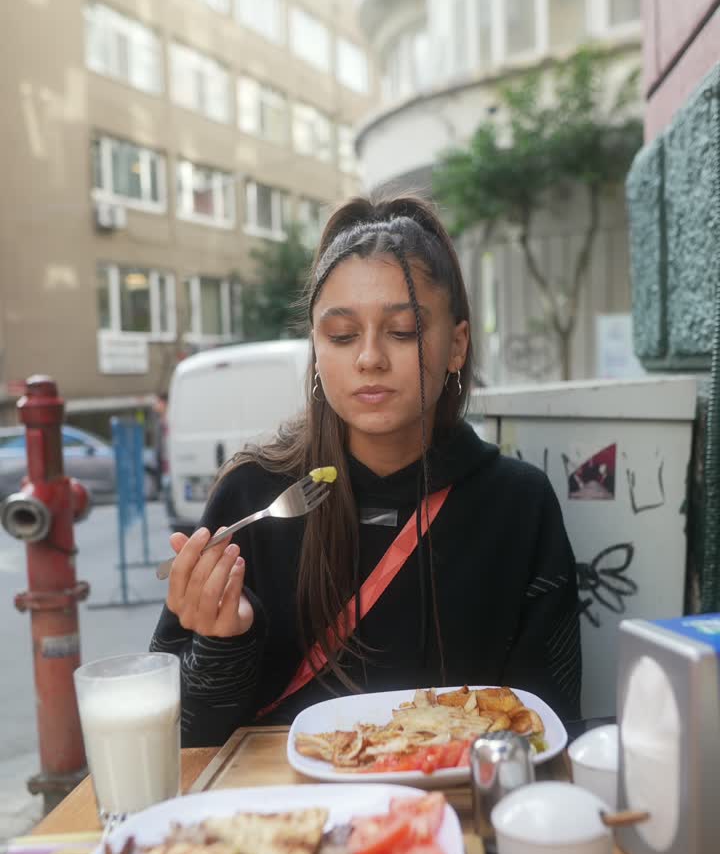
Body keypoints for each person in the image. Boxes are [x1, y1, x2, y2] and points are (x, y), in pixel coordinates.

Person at [150, 195, 581, 746]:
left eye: (402, 331)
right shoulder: (254, 498)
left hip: (456, 816)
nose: (369, 358)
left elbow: (550, 722)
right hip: (287, 821)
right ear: (315, 344)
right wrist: (221, 643)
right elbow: (177, 741)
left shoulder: (519, 506)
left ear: (458, 344)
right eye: (342, 335)